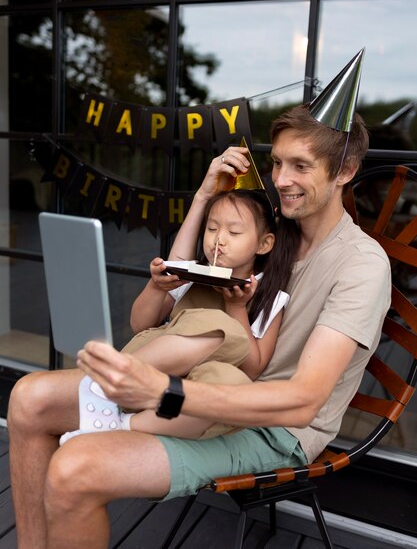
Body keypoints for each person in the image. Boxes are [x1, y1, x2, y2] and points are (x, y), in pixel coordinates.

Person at [7, 54, 392, 549]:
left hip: (274, 430)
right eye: (276, 162)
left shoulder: (362, 264)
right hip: (207, 387)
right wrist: (205, 194)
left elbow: (302, 402)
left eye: (301, 166)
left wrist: (165, 391)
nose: (280, 179)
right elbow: (184, 278)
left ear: (345, 171)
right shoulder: (274, 234)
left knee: (75, 469)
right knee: (27, 399)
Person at [60, 188, 297, 443]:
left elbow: (253, 368)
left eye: (234, 232)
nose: (219, 240)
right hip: (145, 368)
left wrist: (237, 308)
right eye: (212, 228)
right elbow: (139, 324)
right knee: (218, 324)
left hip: (181, 399)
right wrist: (156, 286)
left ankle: (120, 424)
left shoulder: (269, 295)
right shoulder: (191, 272)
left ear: (264, 244)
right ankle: (104, 386)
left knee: (237, 385)